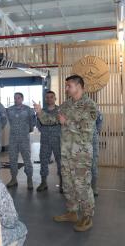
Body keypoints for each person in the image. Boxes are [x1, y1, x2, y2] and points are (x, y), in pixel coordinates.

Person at [34, 75, 97, 232]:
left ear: (78, 86)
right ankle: (72, 212)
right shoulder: (66, 104)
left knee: (82, 185)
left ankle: (87, 216)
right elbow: (51, 120)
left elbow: (87, 129)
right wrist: (40, 112)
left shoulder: (89, 105)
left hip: (81, 155)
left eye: (69, 86)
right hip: (66, 153)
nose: (67, 88)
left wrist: (66, 122)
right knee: (68, 183)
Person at [6, 92, 36, 190]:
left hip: (24, 139)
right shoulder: (9, 110)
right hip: (13, 139)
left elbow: (33, 123)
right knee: (13, 159)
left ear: (22, 99)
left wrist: (27, 130)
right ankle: (13, 179)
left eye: (18, 98)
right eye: (15, 98)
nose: (16, 99)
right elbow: (7, 122)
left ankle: (29, 179)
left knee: (27, 159)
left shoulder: (28, 110)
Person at [36, 91, 62, 192]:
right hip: (45, 140)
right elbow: (38, 125)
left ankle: (62, 183)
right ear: (45, 99)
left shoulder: (60, 110)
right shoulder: (41, 111)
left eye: (51, 97)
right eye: (47, 97)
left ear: (55, 98)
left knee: (60, 162)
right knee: (43, 161)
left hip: (58, 140)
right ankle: (43, 182)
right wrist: (46, 131)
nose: (49, 99)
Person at [91, 110, 103, 196]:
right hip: (80, 143)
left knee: (93, 166)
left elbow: (100, 121)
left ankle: (94, 187)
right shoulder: (77, 109)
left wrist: (95, 132)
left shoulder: (95, 110)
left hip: (92, 142)